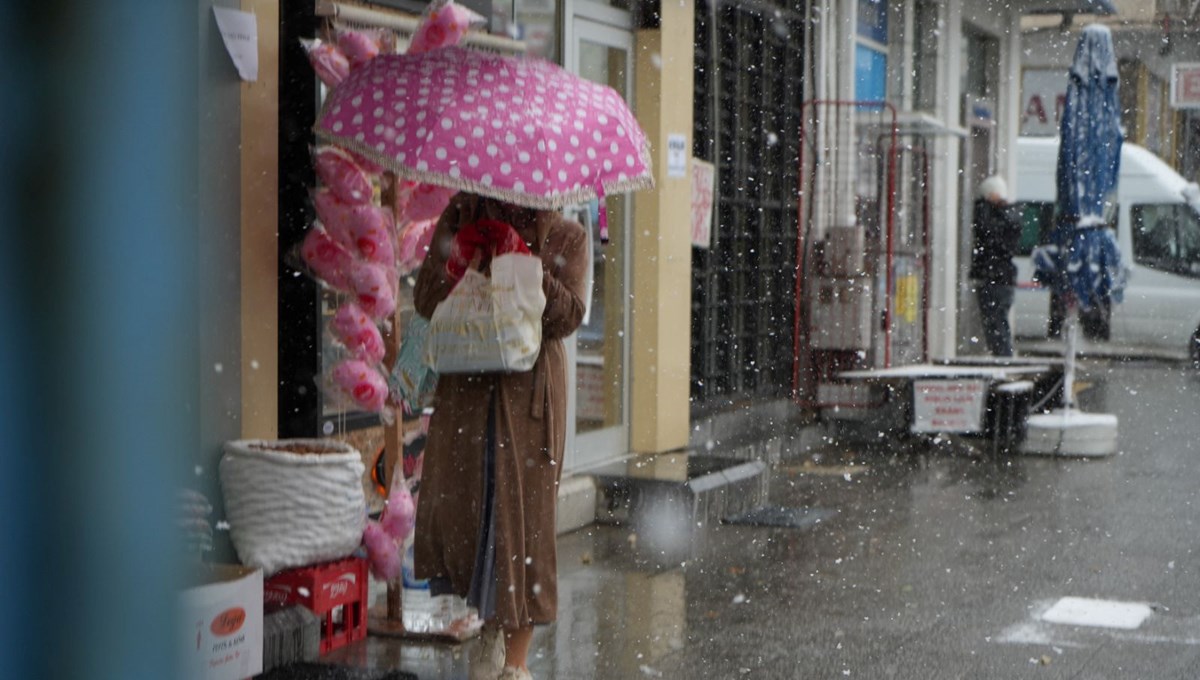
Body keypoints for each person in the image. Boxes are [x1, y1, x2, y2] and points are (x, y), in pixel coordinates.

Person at [413, 193, 588, 680]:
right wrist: (460, 260)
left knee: (523, 530)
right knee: (470, 520)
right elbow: (426, 300)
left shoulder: (567, 236)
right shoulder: (460, 215)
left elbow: (569, 315)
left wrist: (526, 266)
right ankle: (489, 625)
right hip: (468, 398)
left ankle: (515, 665)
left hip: (529, 404)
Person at [970, 175, 1021, 357]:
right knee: (997, 324)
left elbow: (985, 231)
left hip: (995, 278)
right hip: (1001, 278)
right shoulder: (1011, 216)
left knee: (996, 325)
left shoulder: (999, 218)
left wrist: (983, 206)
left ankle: (1003, 360)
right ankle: (1002, 358)